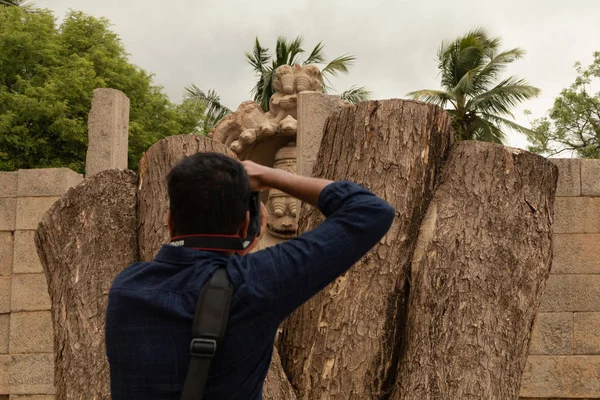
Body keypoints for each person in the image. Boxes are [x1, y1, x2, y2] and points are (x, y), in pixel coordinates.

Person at [105, 152, 395, 399]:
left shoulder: (126, 286)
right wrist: (269, 176)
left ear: (170, 222)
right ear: (245, 227)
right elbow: (370, 210)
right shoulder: (254, 284)